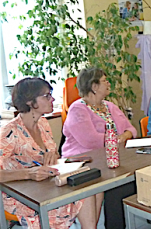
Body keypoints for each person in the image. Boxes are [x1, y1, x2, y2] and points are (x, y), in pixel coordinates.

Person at [0, 78, 102, 229]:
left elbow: (52, 153)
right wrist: (28, 173)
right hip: (20, 193)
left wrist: (52, 156)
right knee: (82, 195)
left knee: (92, 189)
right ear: (29, 102)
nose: (52, 99)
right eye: (47, 96)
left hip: (45, 185)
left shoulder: (43, 123)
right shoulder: (10, 132)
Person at [62, 67, 137, 157]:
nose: (108, 84)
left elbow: (131, 129)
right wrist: (117, 139)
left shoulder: (110, 105)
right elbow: (90, 140)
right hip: (85, 159)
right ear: (94, 86)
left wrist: (124, 136)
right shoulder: (77, 109)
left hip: (114, 155)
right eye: (105, 81)